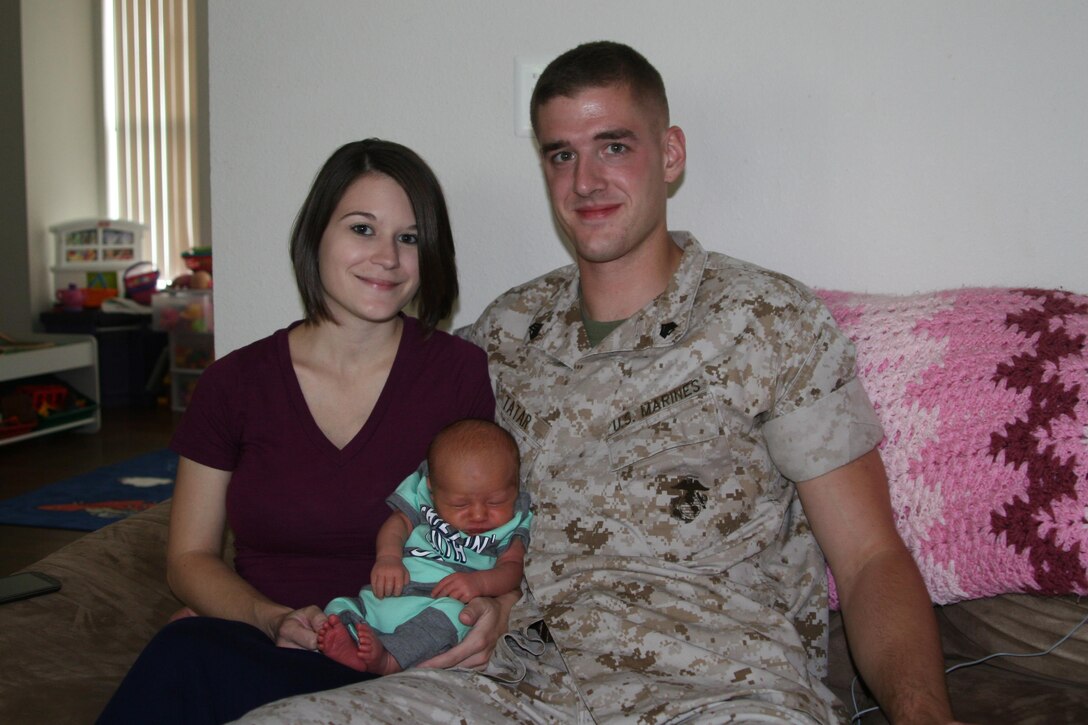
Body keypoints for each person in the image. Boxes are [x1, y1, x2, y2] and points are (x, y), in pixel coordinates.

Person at [239, 42, 961, 724]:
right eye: (562, 155)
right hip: (511, 679)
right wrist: (251, 605)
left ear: (669, 154)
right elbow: (371, 471)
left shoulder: (766, 320)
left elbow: (869, 558)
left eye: (614, 146)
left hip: (716, 687)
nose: (586, 181)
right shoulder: (502, 333)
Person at [97, 139, 497, 724]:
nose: (386, 257)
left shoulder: (458, 374)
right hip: (268, 640)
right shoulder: (234, 383)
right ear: (315, 235)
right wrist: (267, 617)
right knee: (182, 652)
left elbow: (493, 526)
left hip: (396, 658)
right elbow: (188, 557)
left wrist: (497, 603)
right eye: (363, 229)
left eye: (408, 238)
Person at [319, 418, 531, 675]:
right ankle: (355, 647)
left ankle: (388, 660)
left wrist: (480, 583)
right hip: (390, 594)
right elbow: (398, 523)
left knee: (458, 617)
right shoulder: (422, 496)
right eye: (460, 504)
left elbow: (512, 567)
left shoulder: (512, 522)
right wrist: (388, 558)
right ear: (432, 490)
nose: (478, 515)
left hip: (439, 603)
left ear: (515, 489)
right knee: (338, 607)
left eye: (496, 502)